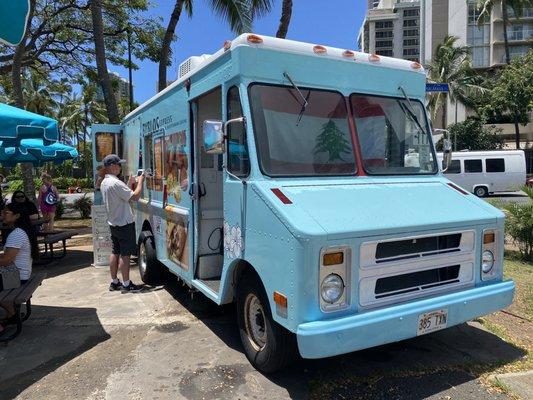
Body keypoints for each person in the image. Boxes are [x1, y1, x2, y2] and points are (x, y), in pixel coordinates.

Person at [100, 154, 145, 293]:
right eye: (119, 164)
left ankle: (114, 282)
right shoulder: (116, 183)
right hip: (125, 224)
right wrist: (140, 181)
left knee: (115, 252)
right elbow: (135, 197)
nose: (120, 167)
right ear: (112, 166)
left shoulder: (105, 182)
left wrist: (130, 183)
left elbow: (122, 195)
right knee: (125, 255)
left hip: (114, 223)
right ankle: (126, 284)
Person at [0, 203, 39, 334]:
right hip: (18, 274)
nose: (2, 215)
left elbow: (6, 261)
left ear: (16, 216)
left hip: (16, 276)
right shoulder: (20, 231)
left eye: (6, 213)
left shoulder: (16, 234)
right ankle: (12, 314)